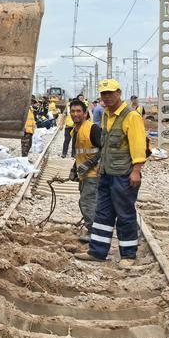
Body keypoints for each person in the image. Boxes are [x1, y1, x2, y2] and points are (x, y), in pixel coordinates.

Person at [77, 79, 146, 267]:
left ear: (119, 93)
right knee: (103, 213)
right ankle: (98, 251)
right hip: (107, 172)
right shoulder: (107, 114)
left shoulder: (131, 116)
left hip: (124, 174)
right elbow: (107, 144)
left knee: (124, 213)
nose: (106, 97)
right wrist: (101, 165)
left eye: (109, 93)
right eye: (103, 94)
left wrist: (136, 171)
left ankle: (128, 255)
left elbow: (139, 145)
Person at [68, 99, 101, 241]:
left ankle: (94, 233)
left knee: (86, 202)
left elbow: (104, 149)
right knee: (88, 201)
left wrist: (89, 163)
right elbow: (81, 153)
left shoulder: (93, 129)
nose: (75, 114)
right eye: (73, 111)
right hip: (84, 174)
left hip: (94, 173)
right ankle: (96, 230)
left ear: (85, 113)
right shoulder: (75, 131)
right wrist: (74, 169)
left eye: (78, 111)